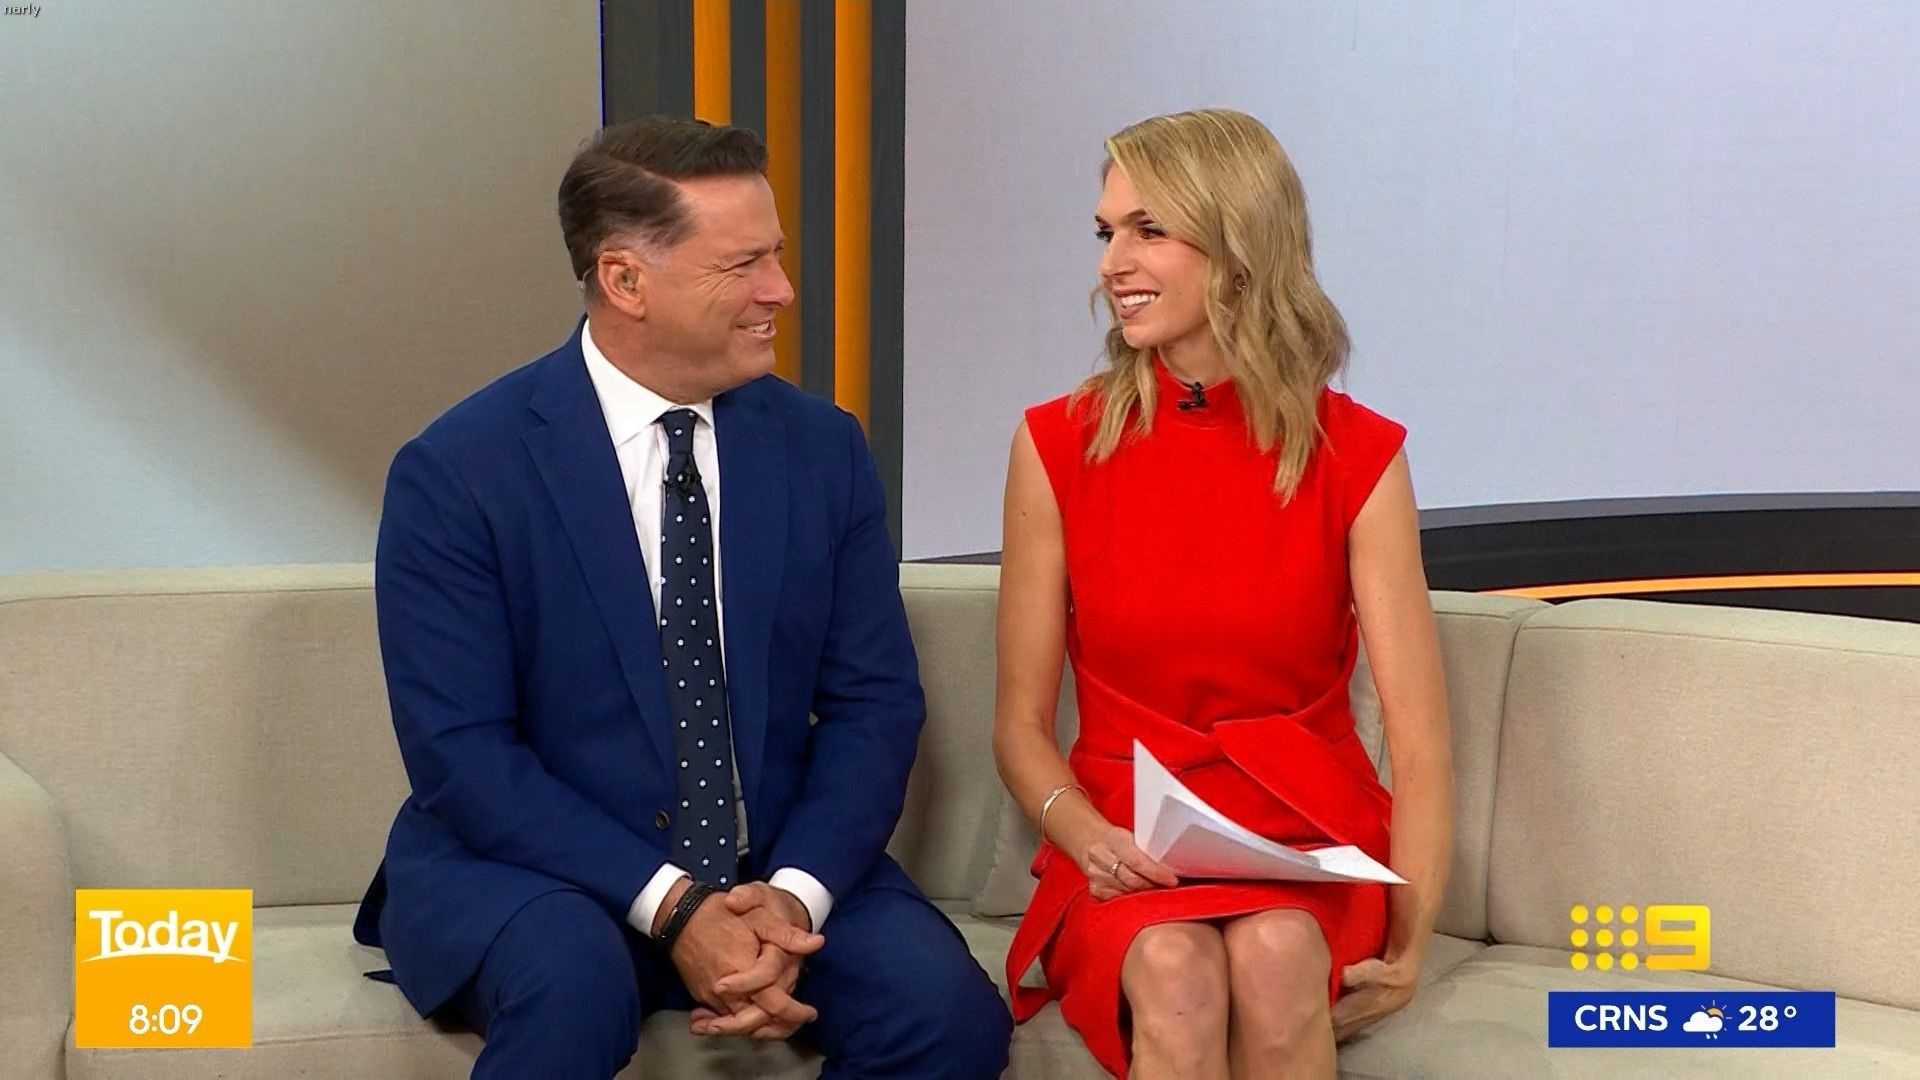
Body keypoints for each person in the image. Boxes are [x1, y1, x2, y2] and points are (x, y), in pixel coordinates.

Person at [352, 115, 1011, 1079]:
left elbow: (873, 705)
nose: (780, 289)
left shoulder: (823, 450)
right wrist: (674, 906)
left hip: (772, 868)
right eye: (742, 264)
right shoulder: (459, 471)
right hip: (540, 875)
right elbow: (462, 756)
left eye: (776, 255)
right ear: (625, 280)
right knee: (572, 988)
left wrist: (793, 896)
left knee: (946, 1016)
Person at [994, 108, 1454, 1079]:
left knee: (1278, 955)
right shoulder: (1055, 444)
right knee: (1174, 970)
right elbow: (1019, 730)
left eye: (1149, 230)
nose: (1113, 263)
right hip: (1123, 836)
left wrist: (1412, 941)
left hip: (1305, 833)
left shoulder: (1358, 455)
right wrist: (1086, 837)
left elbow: (1418, 745)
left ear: (1240, 248)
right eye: (1106, 231)